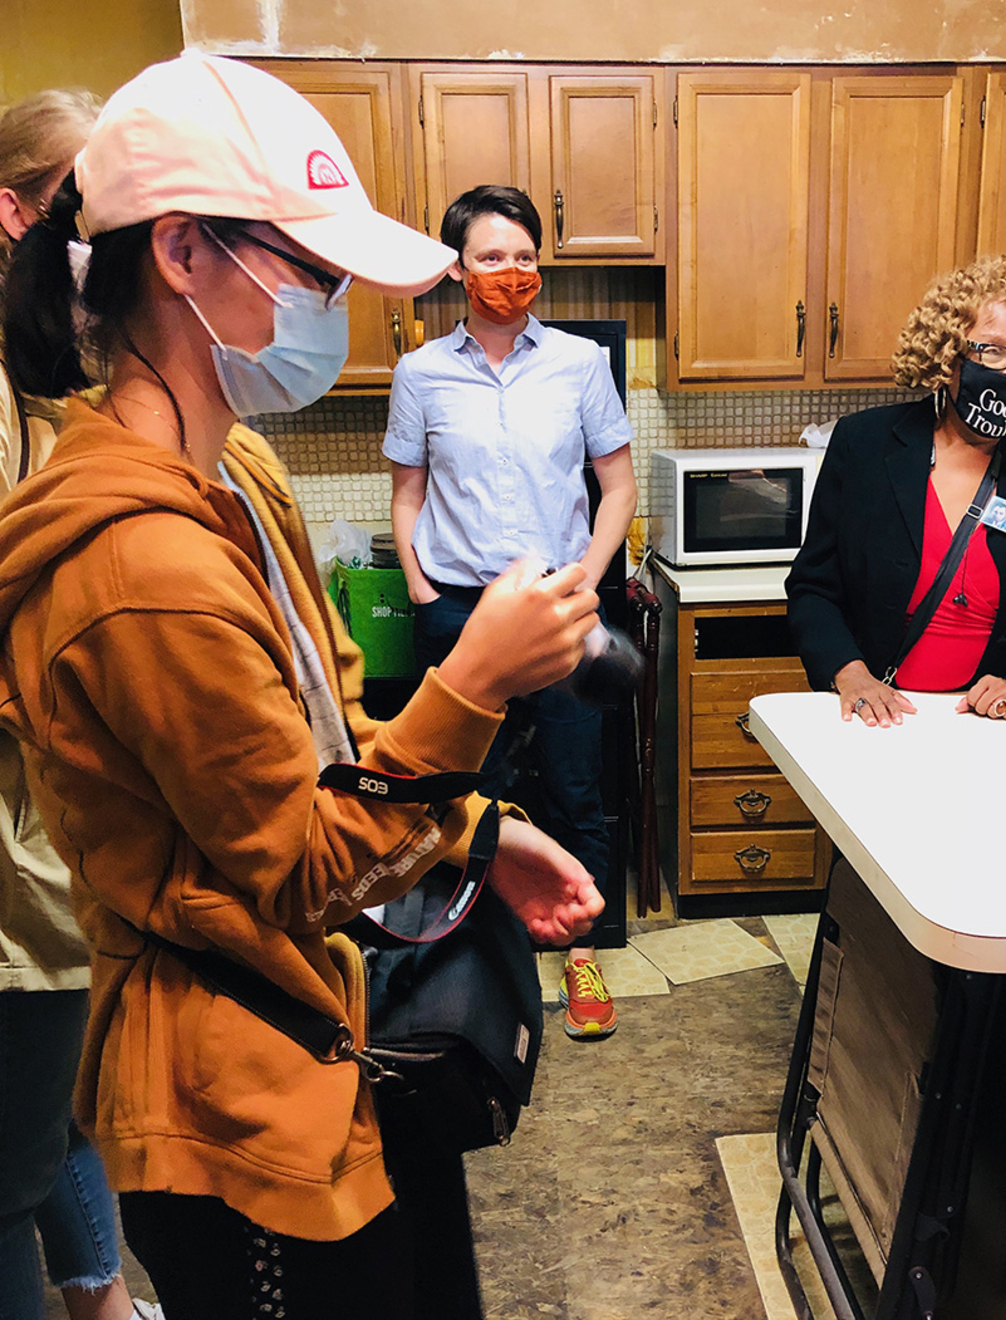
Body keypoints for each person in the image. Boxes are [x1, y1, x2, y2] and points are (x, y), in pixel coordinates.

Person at [0, 52, 604, 1320]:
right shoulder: (135, 563)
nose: (334, 303)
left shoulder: (244, 480)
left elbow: (327, 741)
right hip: (233, 1101)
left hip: (321, 1037)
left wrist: (480, 832)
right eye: (312, 268)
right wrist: (474, 685)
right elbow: (303, 863)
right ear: (180, 252)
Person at [385, 185, 637, 1039]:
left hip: (561, 609)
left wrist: (588, 580)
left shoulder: (578, 364)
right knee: (464, 794)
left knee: (574, 783)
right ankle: (472, 960)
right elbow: (406, 494)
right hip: (460, 610)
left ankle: (583, 951)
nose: (512, 271)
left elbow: (619, 487)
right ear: (459, 269)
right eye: (493, 257)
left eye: (525, 256)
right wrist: (424, 592)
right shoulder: (420, 372)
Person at [0, 87, 163, 1320]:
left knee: (52, 1114)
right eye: (91, 199)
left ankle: (103, 1302)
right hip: (21, 869)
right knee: (8, 1164)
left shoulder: (51, 385)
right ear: (22, 211)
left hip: (59, 854)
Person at [787, 251, 1006, 725]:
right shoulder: (864, 446)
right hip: (880, 719)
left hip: (1003, 728)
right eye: (993, 351)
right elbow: (812, 588)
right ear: (947, 353)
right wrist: (849, 673)